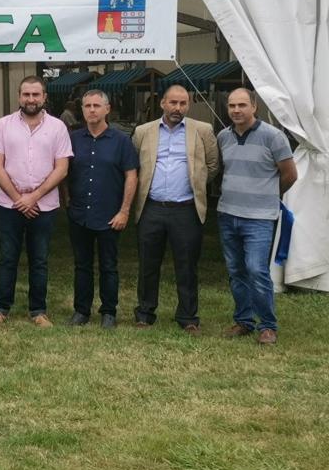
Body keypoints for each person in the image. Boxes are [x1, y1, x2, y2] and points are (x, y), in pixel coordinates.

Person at [131, 84, 220, 333]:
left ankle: (188, 318)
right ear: (162, 103)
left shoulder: (202, 130)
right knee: (148, 264)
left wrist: (195, 185)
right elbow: (134, 166)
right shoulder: (142, 132)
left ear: (188, 105)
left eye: (182, 104)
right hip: (151, 208)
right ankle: (145, 314)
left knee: (187, 265)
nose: (177, 108)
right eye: (172, 103)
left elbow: (212, 166)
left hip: (186, 209)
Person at [0, 76, 73, 327]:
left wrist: (33, 197)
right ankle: (1, 309)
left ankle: (38, 311)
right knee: (8, 258)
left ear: (44, 97)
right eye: (26, 94)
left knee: (39, 259)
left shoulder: (57, 127)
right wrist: (18, 198)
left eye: (36, 95)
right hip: (9, 204)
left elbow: (62, 168)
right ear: (19, 96)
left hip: (43, 205)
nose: (31, 99)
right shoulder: (3, 125)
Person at [217, 88, 297, 345]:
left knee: (256, 270)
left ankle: (268, 326)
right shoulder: (223, 137)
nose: (236, 110)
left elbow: (290, 174)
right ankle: (243, 321)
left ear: (254, 107)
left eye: (242, 105)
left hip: (259, 217)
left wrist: (269, 196)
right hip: (227, 213)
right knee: (235, 270)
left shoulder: (273, 137)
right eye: (232, 105)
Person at [64, 90, 139, 328]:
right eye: (87, 106)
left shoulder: (121, 141)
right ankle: (81, 311)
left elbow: (131, 176)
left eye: (97, 105)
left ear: (107, 109)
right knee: (81, 265)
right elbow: (63, 172)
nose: (92, 110)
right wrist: (66, 200)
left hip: (110, 215)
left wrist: (124, 210)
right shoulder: (73, 139)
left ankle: (109, 312)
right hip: (79, 215)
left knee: (109, 265)